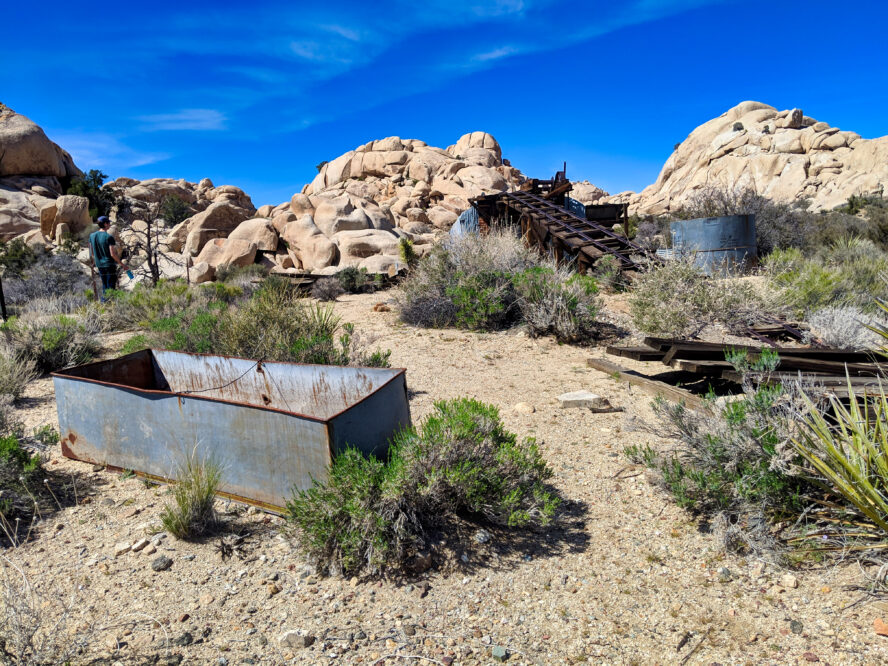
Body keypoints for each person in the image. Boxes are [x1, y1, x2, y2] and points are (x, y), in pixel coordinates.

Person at [88, 216, 129, 301]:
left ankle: (104, 304)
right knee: (111, 287)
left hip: (100, 265)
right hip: (109, 265)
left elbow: (91, 253)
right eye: (108, 223)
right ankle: (109, 305)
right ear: (105, 224)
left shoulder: (92, 236)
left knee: (105, 285)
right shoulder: (109, 237)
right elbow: (112, 254)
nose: (110, 224)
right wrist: (122, 264)